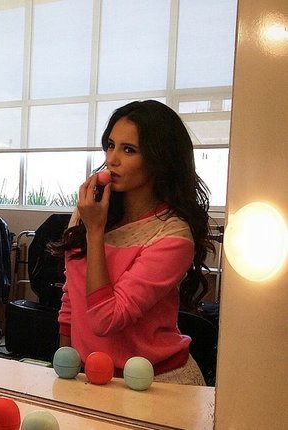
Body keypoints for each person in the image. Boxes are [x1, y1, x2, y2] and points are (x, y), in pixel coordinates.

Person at [54, 100, 214, 385]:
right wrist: (67, 367)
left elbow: (105, 319)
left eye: (129, 150)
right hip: (92, 376)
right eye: (110, 145)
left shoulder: (172, 236)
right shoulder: (90, 211)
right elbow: (72, 298)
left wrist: (95, 232)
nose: (112, 159)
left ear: (159, 160)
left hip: (158, 381)